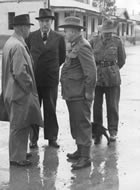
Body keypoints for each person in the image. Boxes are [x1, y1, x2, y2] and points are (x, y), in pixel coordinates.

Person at [1, 14, 43, 166]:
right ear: (22, 28)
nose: (29, 30)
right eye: (28, 27)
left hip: (11, 91)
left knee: (19, 125)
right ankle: (17, 158)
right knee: (19, 126)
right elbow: (19, 72)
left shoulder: (10, 42)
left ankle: (18, 153)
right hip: (19, 93)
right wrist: (29, 86)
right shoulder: (18, 46)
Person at [59, 16, 97, 170]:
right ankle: (80, 150)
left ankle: (85, 157)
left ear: (74, 31)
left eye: (66, 31)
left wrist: (88, 94)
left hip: (80, 94)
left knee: (82, 124)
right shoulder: (74, 44)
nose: (65, 33)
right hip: (72, 93)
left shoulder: (83, 46)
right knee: (76, 123)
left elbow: (91, 73)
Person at [26, 8, 66, 149]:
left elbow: (62, 58)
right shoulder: (31, 37)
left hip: (50, 80)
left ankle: (52, 138)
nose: (44, 24)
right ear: (39, 22)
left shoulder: (59, 38)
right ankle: (33, 139)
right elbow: (27, 56)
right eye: (42, 21)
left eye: (47, 21)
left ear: (51, 22)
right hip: (35, 80)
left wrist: (52, 69)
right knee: (34, 110)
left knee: (50, 109)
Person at [90, 18, 126, 143]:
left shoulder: (117, 42)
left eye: (109, 32)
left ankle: (113, 131)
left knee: (112, 106)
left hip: (112, 79)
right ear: (101, 31)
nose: (107, 34)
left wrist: (112, 68)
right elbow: (89, 58)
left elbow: (121, 60)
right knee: (96, 106)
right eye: (105, 32)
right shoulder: (93, 41)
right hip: (97, 78)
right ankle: (97, 131)